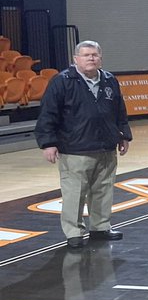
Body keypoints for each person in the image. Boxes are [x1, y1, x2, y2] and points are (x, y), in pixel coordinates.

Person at [34, 41, 132, 249]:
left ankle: (100, 227)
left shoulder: (109, 80)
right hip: (75, 149)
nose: (91, 58)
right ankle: (74, 232)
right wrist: (48, 143)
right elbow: (48, 114)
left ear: (100, 58)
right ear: (75, 59)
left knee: (103, 190)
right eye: (86, 55)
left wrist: (124, 135)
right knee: (74, 193)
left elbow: (119, 111)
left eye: (95, 55)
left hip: (106, 147)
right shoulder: (62, 81)